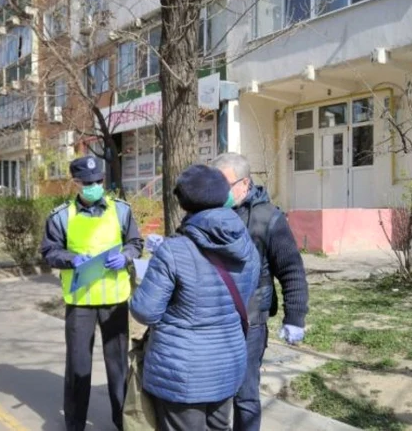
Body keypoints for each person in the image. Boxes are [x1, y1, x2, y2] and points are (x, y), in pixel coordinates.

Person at [129, 165, 260, 431]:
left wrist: (144, 279)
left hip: (183, 372)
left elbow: (145, 311)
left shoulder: (174, 251)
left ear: (184, 204)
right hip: (228, 364)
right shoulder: (246, 244)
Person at [40, 156, 143, 431]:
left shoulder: (121, 211)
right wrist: (72, 258)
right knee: (78, 365)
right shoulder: (61, 216)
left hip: (115, 300)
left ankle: (123, 421)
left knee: (118, 365)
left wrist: (126, 256)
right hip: (80, 303)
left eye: (99, 181)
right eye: (88, 183)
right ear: (76, 183)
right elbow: (49, 252)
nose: (95, 186)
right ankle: (75, 424)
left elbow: (136, 243)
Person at [210, 152, 309, 431]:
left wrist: (295, 317)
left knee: (245, 393)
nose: (219, 191)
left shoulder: (268, 218)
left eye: (225, 184)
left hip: (250, 320)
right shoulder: (210, 213)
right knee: (214, 391)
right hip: (213, 318)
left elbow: (291, 270)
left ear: (245, 183)